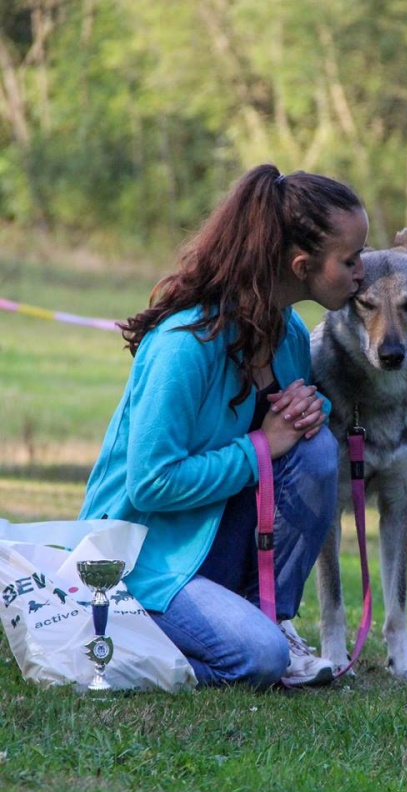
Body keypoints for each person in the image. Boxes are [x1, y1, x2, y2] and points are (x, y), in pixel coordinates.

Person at [79, 163, 368, 689]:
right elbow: (152, 483)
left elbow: (284, 452)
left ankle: (270, 616)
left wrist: (307, 415)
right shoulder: (184, 345)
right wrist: (264, 443)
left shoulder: (290, 336)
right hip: (144, 558)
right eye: (350, 260)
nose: (362, 273)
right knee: (258, 660)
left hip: (215, 542)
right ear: (302, 264)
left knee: (318, 450)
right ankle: (107, 643)